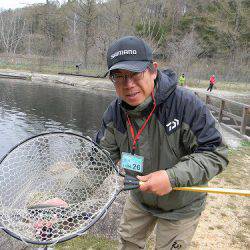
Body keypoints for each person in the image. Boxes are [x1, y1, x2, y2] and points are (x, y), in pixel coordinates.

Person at [95, 36, 228, 249]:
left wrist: (171, 177)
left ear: (153, 70)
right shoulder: (115, 113)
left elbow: (216, 153)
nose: (128, 85)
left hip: (182, 204)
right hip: (139, 198)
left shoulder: (186, 105)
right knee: (128, 243)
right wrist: (66, 199)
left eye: (135, 74)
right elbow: (98, 163)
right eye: (118, 76)